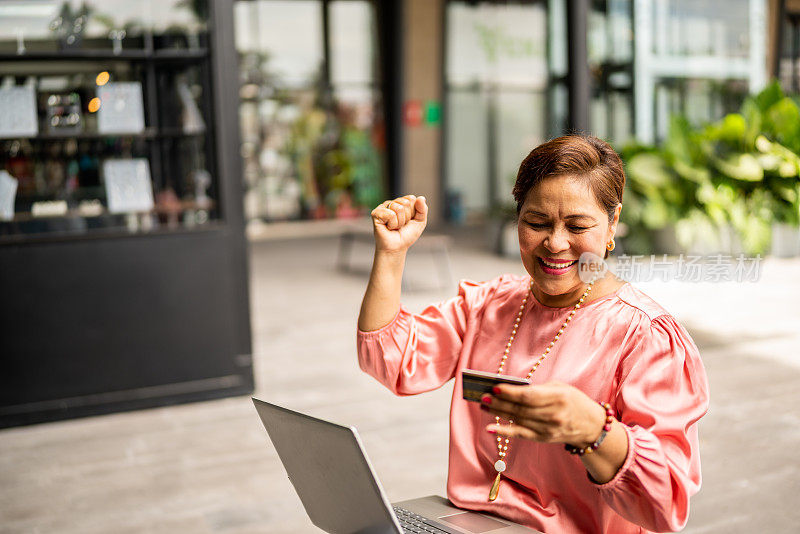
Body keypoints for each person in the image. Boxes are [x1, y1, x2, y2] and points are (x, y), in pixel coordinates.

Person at [356, 135, 709, 533]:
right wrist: (390, 253)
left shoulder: (646, 336)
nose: (555, 244)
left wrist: (594, 430)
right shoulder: (489, 304)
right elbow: (389, 359)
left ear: (612, 224)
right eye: (537, 223)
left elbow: (665, 504)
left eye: (578, 226)